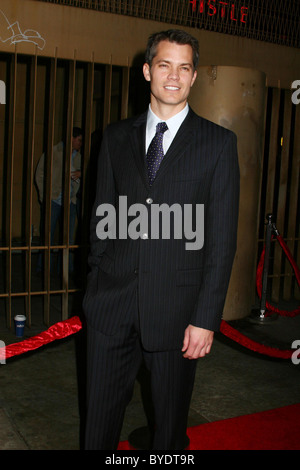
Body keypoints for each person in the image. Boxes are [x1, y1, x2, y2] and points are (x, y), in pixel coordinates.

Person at [83, 29, 240, 450]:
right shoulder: (114, 138)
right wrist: (97, 286)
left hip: (177, 318)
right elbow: (102, 218)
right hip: (110, 310)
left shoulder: (219, 144)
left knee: (169, 436)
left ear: (193, 77)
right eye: (165, 65)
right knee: (96, 429)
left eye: (184, 68)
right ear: (148, 70)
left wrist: (206, 317)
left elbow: (222, 240)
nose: (174, 76)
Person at [35, 127, 83, 273]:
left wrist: (80, 174)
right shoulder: (53, 152)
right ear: (72, 139)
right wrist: (46, 196)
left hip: (70, 201)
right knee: (47, 237)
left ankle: (65, 270)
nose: (81, 143)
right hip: (54, 200)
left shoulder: (78, 156)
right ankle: (43, 269)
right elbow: (39, 175)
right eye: (79, 140)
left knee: (67, 239)